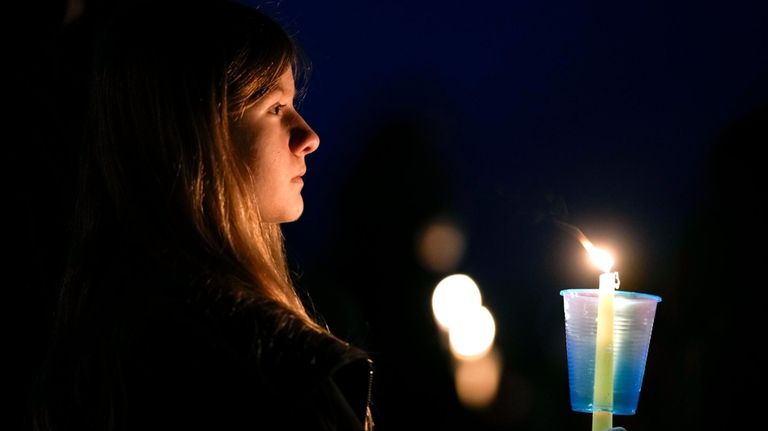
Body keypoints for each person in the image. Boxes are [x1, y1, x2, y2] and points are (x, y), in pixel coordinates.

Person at [29, 1, 373, 430]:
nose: (309, 137)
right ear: (199, 136)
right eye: (275, 108)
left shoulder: (99, 337)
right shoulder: (254, 366)